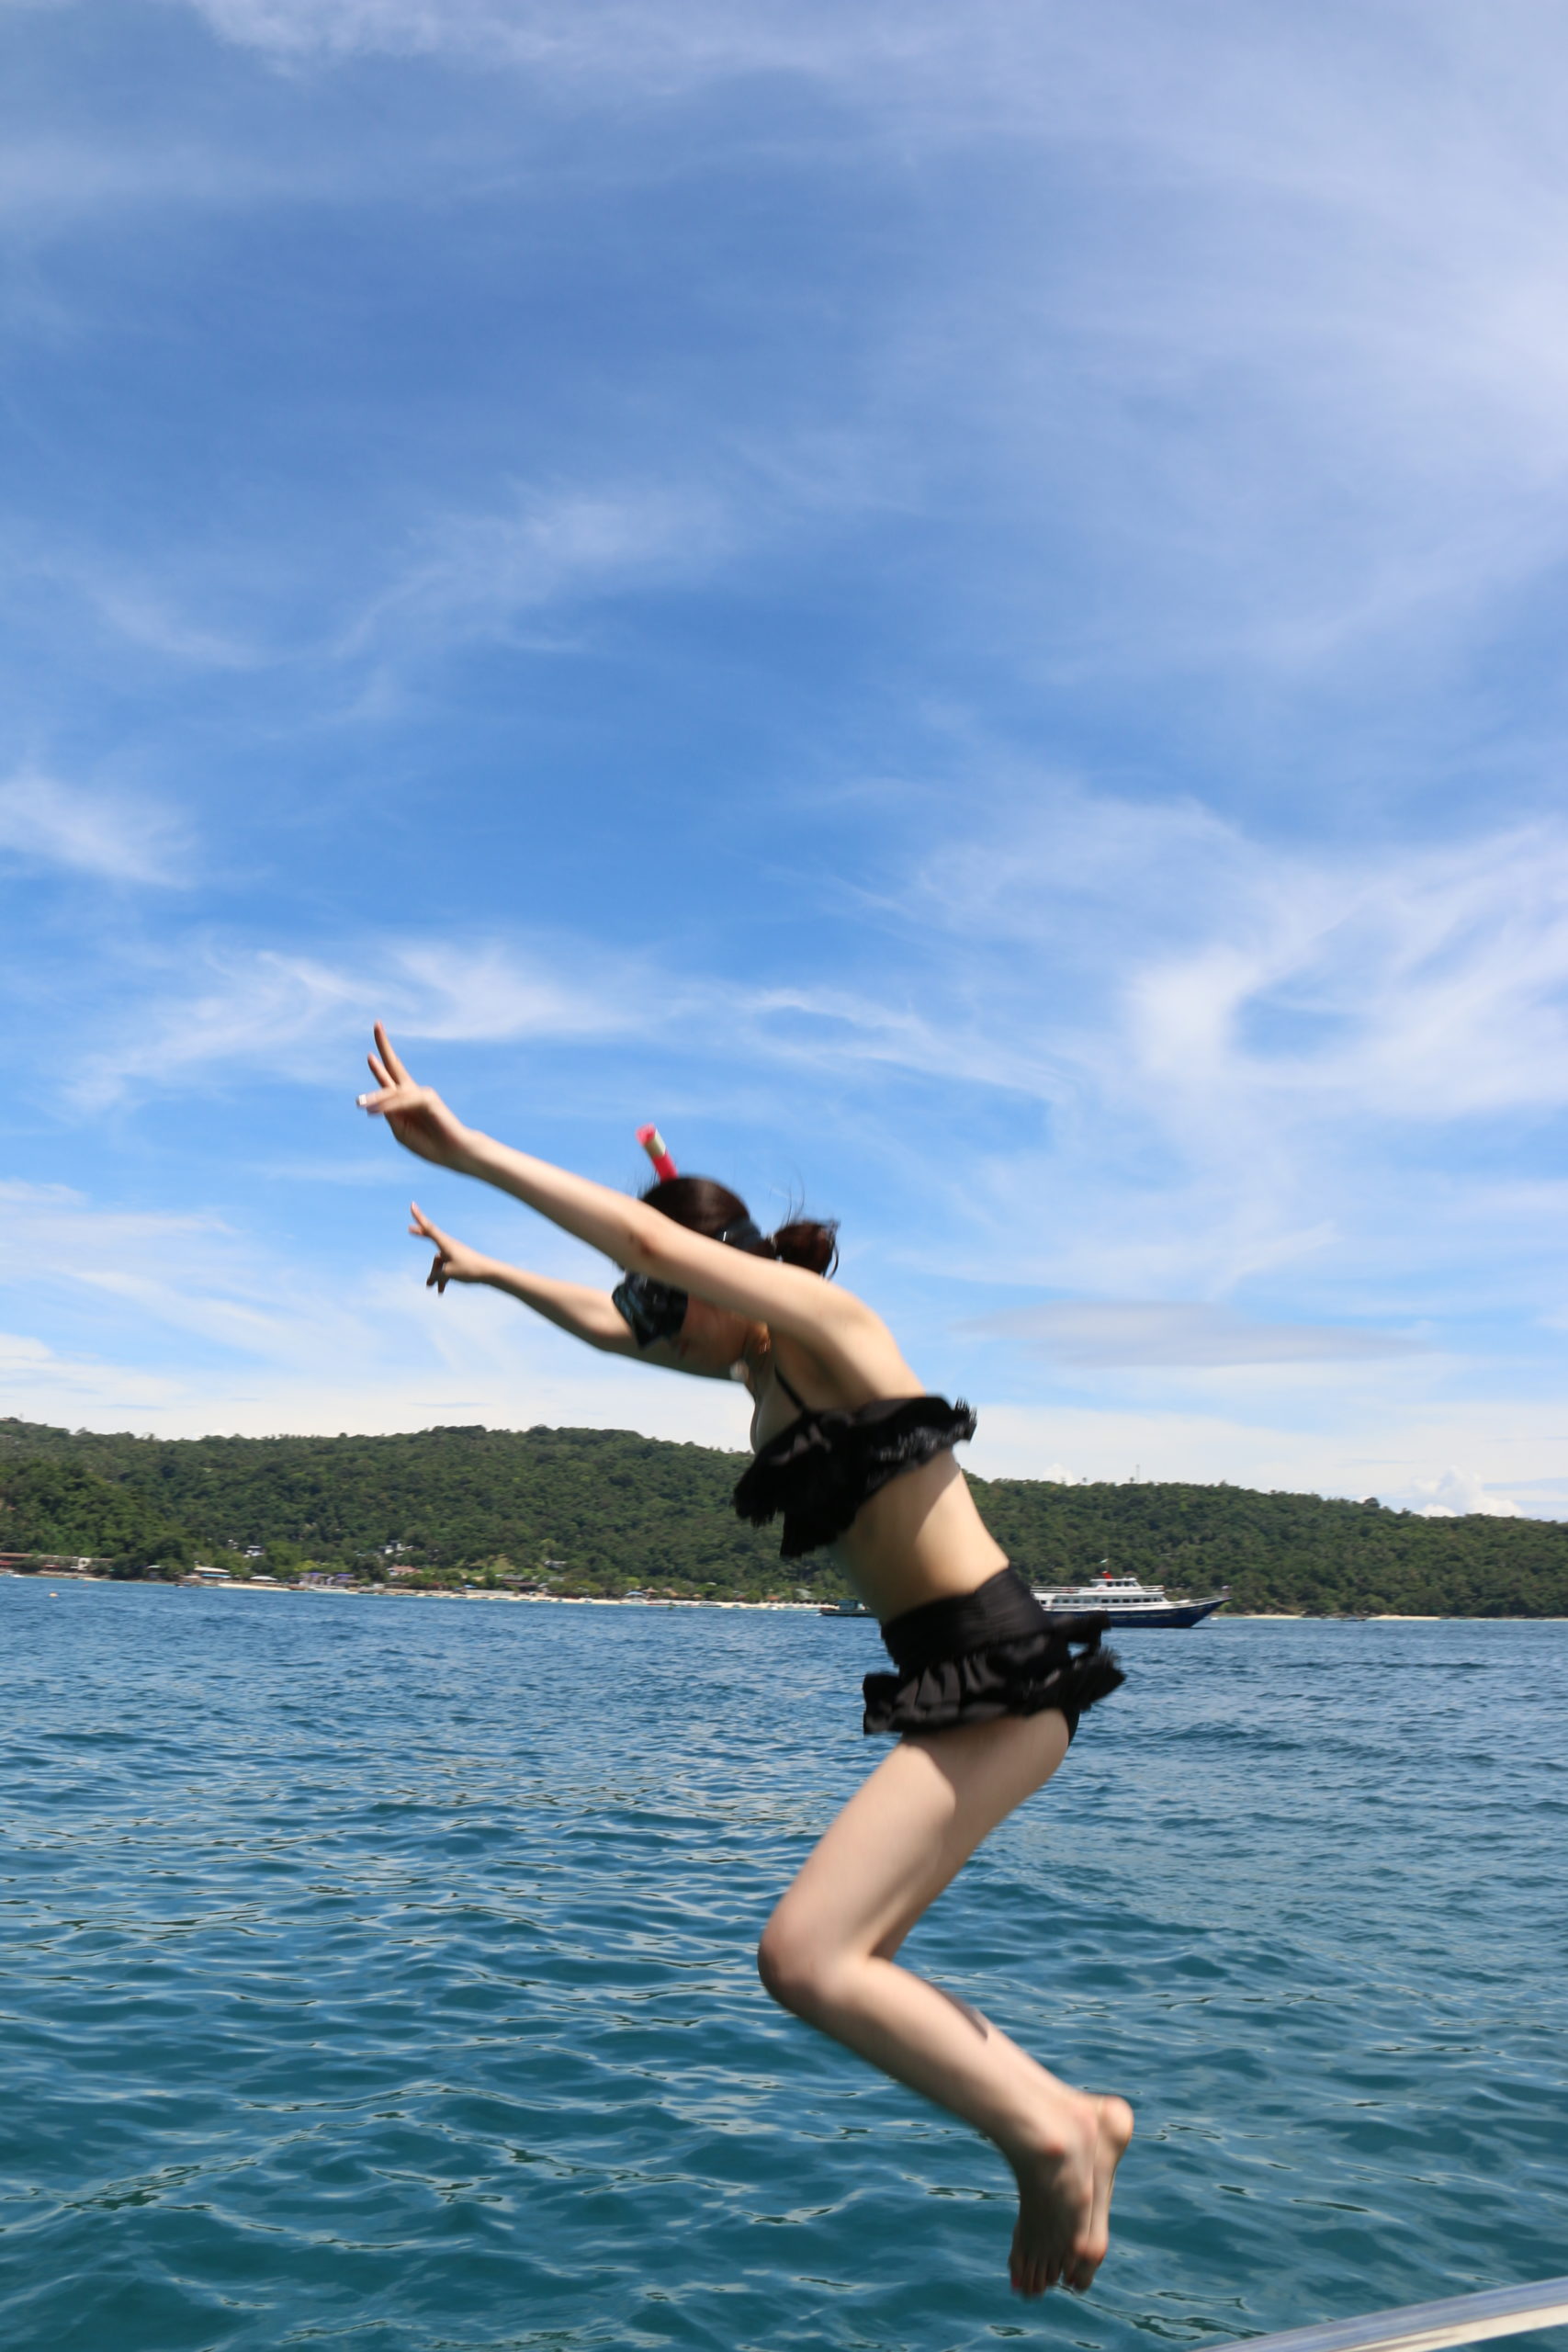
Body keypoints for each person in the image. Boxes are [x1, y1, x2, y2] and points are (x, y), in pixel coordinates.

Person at [358, 1022, 1132, 2298]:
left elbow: (649, 1247)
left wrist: (467, 1150)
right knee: (835, 1961)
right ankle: (1060, 2119)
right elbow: (607, 1314)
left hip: (1002, 1668)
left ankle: (1054, 2130)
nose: (652, 1324)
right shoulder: (758, 1385)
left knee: (804, 1956)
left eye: (667, 1302)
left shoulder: (831, 1327)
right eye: (649, 1311)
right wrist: (490, 1271)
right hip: (959, 1684)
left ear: (727, 1275)